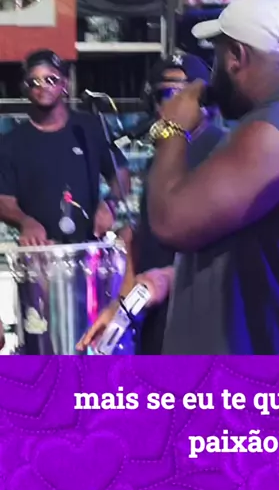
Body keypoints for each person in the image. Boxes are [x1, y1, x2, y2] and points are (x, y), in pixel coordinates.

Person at [146, 0, 279, 354]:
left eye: (217, 55)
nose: (213, 73)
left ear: (236, 56)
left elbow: (169, 223)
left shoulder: (271, 132)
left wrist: (172, 128)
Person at [76, 53, 225, 354]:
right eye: (163, 94)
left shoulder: (221, 151)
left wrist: (165, 280)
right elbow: (143, 246)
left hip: (202, 324)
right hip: (158, 321)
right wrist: (120, 311)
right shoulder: (165, 157)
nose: (170, 104)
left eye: (180, 93)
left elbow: (224, 255)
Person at [0, 49, 129, 246]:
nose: (43, 87)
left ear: (64, 84)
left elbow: (120, 172)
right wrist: (25, 221)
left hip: (89, 248)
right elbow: (4, 200)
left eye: (50, 79)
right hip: (40, 251)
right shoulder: (11, 143)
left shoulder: (89, 128)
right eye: (34, 81)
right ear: (24, 89)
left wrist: (110, 204)